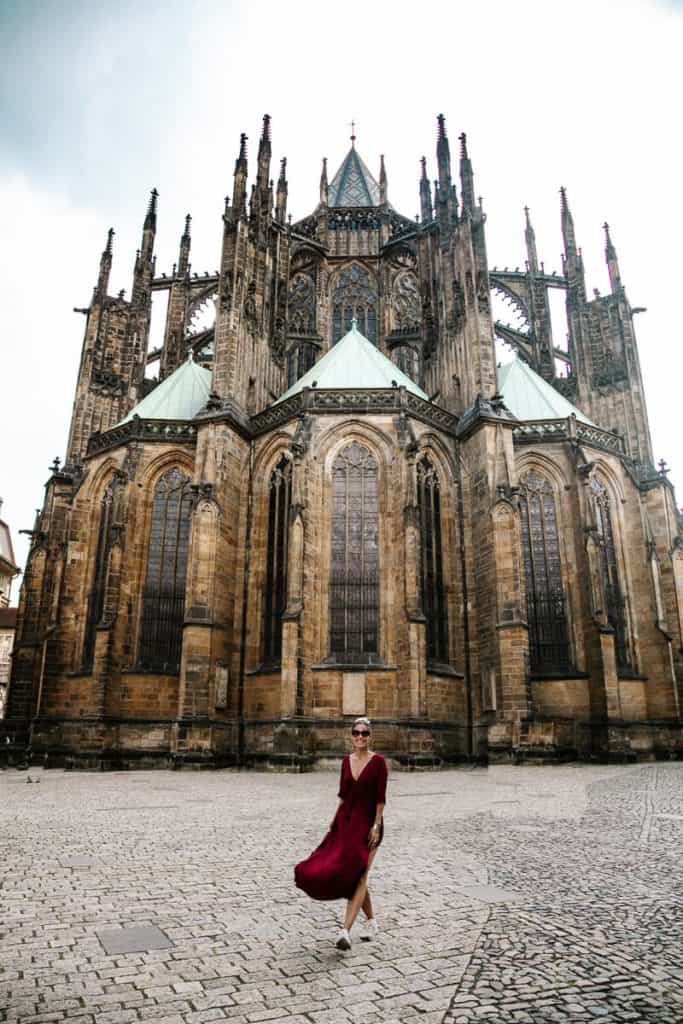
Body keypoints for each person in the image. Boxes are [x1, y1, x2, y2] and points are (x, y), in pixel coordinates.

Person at [294, 717, 387, 950]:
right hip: (345, 824)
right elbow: (343, 795)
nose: (360, 737)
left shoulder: (379, 762)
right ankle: (372, 922)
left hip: (368, 826)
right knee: (348, 872)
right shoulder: (346, 762)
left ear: (370, 736)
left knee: (360, 875)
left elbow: (380, 799)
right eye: (356, 733)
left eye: (365, 733)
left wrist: (376, 825)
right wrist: (334, 821)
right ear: (351, 735)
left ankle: (344, 931)